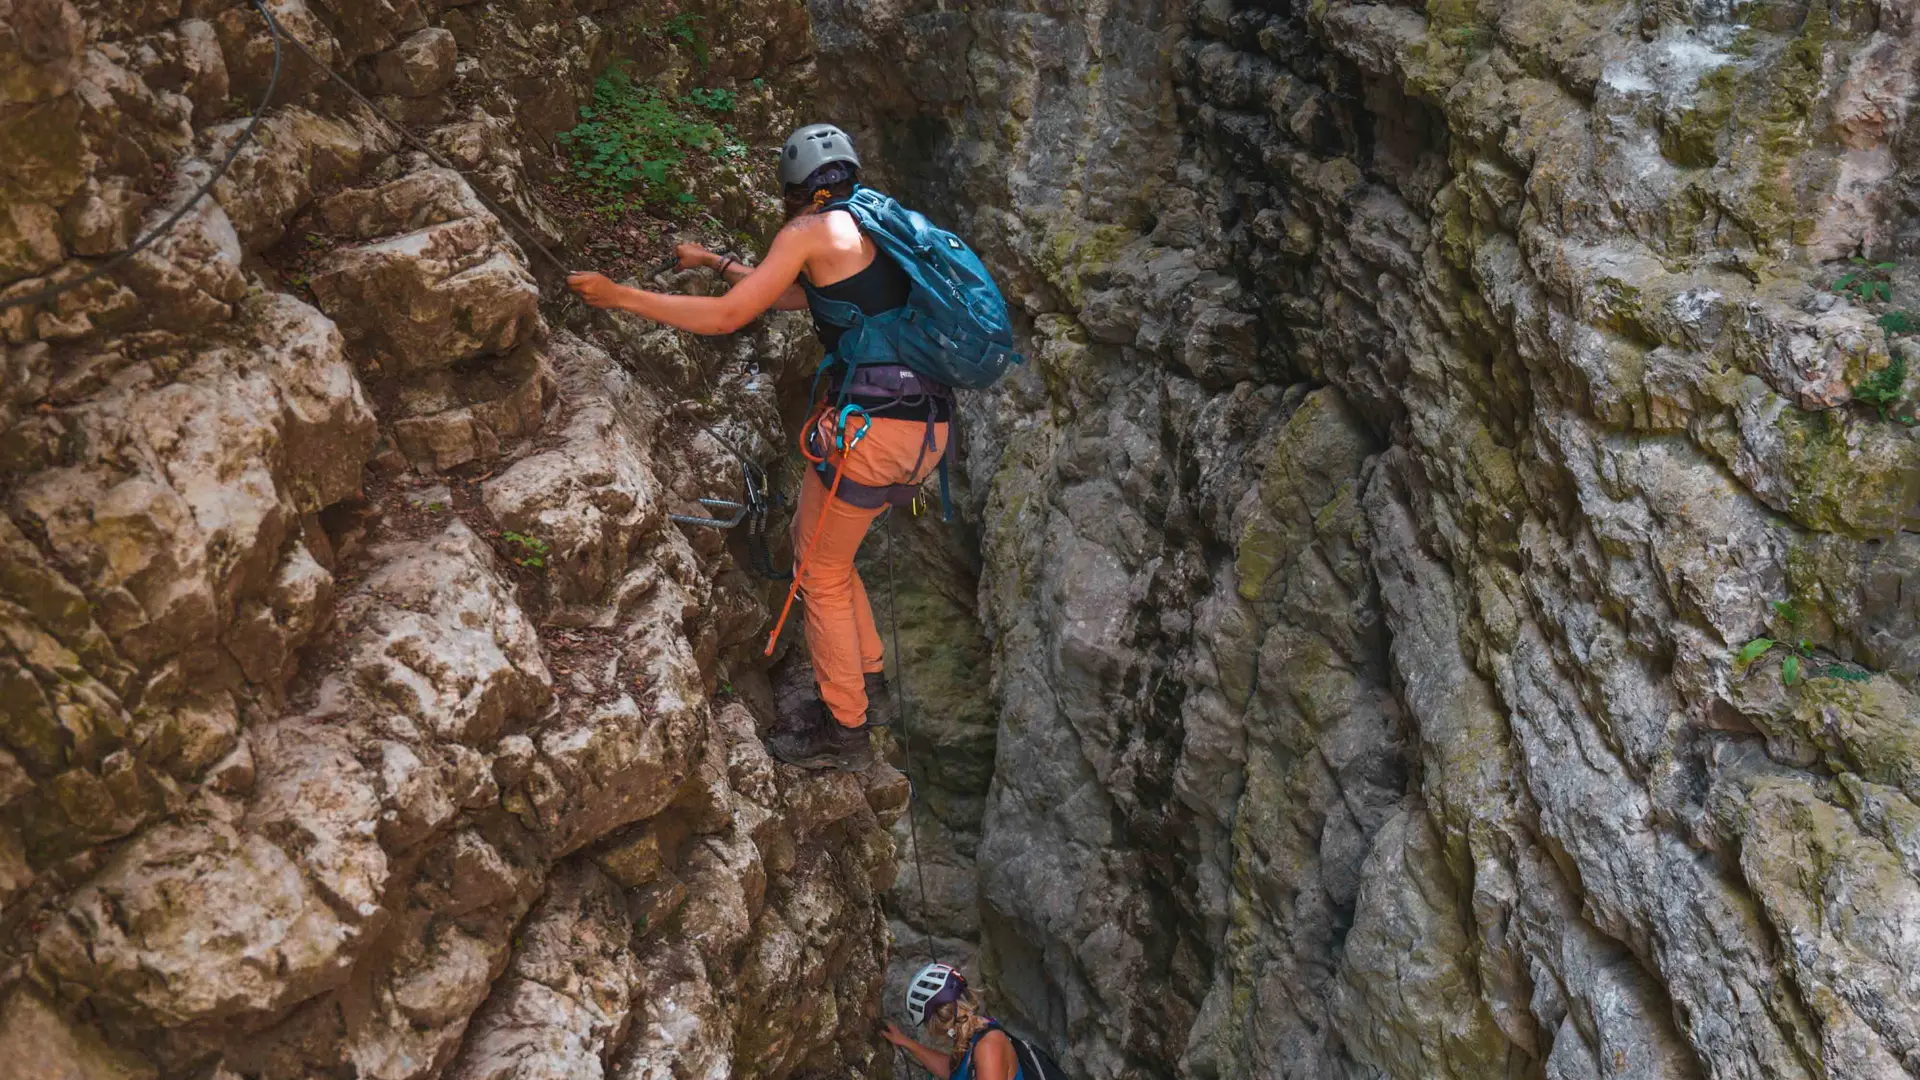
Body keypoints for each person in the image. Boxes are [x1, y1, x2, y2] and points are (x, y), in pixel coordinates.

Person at [568, 124, 949, 772]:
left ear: (797, 190)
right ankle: (871, 680)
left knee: (821, 574)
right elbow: (804, 293)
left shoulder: (807, 230)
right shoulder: (875, 225)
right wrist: (717, 264)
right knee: (827, 550)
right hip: (925, 428)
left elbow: (727, 317)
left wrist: (620, 296)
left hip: (872, 432)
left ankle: (846, 728)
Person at [882, 963, 1020, 1080]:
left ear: (937, 1023)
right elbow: (953, 1071)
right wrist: (905, 1042)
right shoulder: (973, 1037)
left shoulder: (988, 1048)